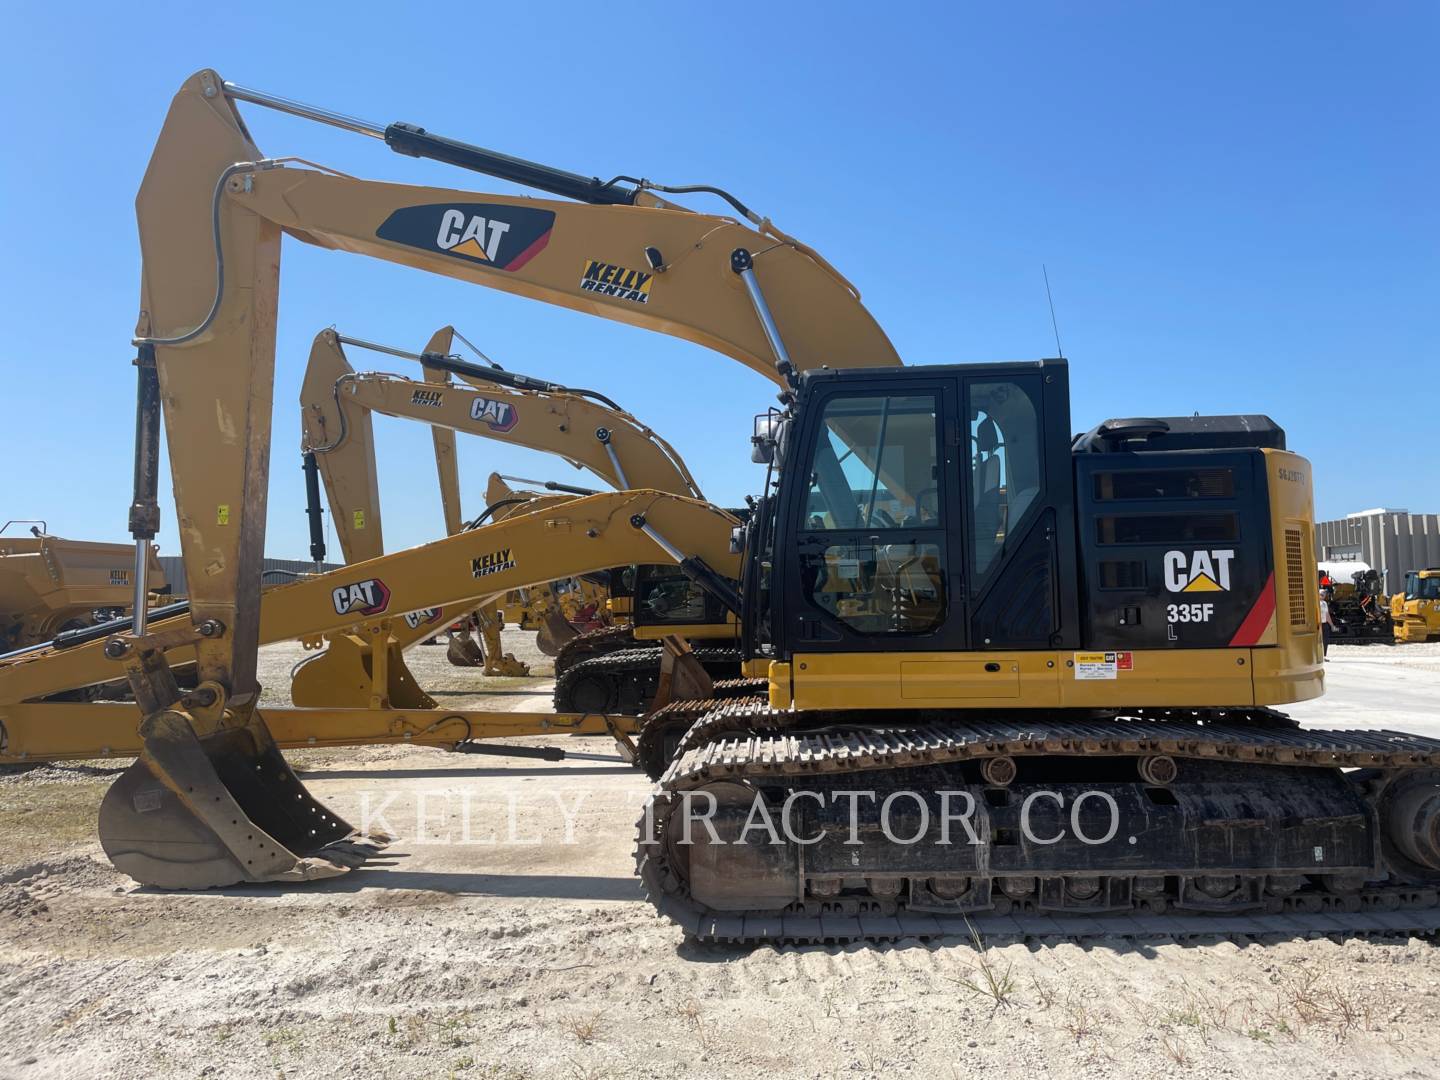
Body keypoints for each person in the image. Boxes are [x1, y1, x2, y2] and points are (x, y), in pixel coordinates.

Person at [1319, 587, 1338, 659]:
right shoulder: (1316, 602)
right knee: (1319, 640)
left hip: (1324, 623)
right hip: (1318, 624)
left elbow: (1327, 615)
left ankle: (1324, 656)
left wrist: (1332, 625)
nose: (1323, 595)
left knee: (1325, 640)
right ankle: (1319, 656)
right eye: (1321, 594)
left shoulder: (1324, 603)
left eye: (1324, 594)